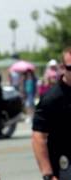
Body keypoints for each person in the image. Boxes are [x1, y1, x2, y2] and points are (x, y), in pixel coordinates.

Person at [32, 47, 71, 180]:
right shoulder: (51, 98)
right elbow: (38, 137)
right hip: (64, 167)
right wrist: (48, 174)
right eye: (70, 68)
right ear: (63, 67)